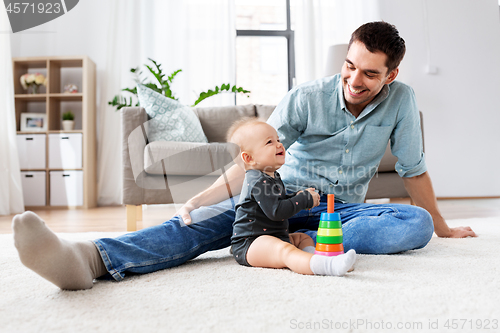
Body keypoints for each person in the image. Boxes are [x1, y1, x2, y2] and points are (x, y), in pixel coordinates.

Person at [12, 21, 476, 290]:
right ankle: (89, 259)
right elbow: (252, 160)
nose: (355, 80)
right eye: (350, 66)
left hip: (340, 210)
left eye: (370, 74)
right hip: (281, 194)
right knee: (212, 224)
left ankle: (303, 240)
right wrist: (200, 199)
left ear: (391, 75)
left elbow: (414, 171)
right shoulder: (305, 97)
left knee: (412, 226)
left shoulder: (402, 102)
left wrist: (442, 226)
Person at [227, 118, 356, 276]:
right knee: (285, 251)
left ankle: (314, 258)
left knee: (303, 238)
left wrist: (298, 195)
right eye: (269, 142)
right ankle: (326, 266)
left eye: (278, 140)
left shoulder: (272, 176)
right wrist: (303, 200)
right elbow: (277, 211)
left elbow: (279, 200)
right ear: (249, 158)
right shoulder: (257, 180)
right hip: (251, 242)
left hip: (275, 236)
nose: (279, 144)